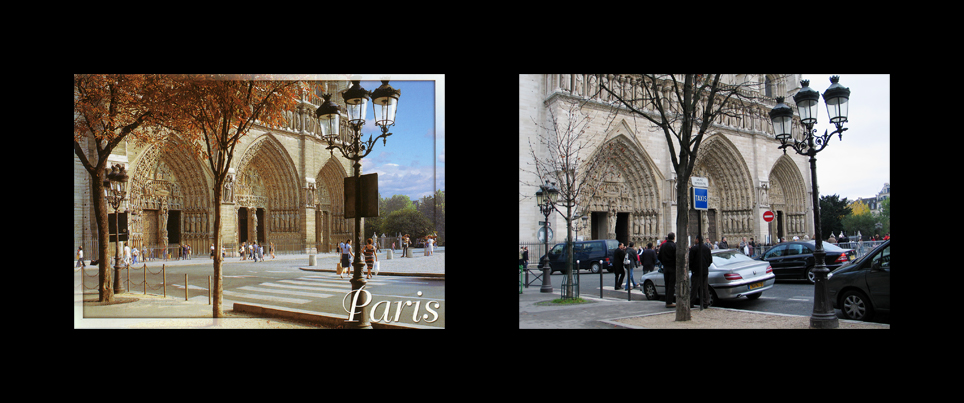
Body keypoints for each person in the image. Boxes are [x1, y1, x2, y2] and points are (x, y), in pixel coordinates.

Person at [689, 235, 712, 309]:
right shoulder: (707, 248)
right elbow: (710, 260)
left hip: (696, 271)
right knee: (705, 288)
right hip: (704, 271)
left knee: (694, 288)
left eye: (695, 239)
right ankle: (706, 303)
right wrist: (705, 266)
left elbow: (690, 260)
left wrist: (692, 268)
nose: (695, 240)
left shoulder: (694, 248)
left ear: (697, 239)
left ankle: (691, 303)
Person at [656, 233, 676, 307]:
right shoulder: (674, 246)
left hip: (665, 267)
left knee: (667, 284)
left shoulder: (663, 245)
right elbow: (676, 256)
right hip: (672, 267)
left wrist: (664, 262)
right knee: (671, 285)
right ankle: (669, 302)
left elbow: (659, 256)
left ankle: (667, 300)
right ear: (673, 238)